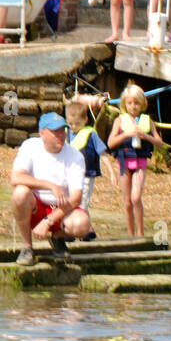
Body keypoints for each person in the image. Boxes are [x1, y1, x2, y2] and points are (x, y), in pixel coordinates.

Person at [10, 112, 91, 266]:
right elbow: (16, 178)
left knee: (82, 224)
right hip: (36, 206)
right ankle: (27, 247)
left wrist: (49, 221)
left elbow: (75, 198)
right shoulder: (30, 146)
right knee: (19, 193)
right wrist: (50, 186)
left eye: (63, 131)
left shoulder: (75, 156)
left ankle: (57, 237)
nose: (61, 135)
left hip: (60, 208)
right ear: (42, 133)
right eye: (55, 132)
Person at [107, 84, 160, 237]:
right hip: (124, 162)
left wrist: (146, 136)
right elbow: (110, 143)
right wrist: (126, 134)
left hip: (140, 162)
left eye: (136, 103)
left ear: (142, 103)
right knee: (127, 201)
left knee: (136, 197)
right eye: (130, 103)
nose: (133, 106)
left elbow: (159, 142)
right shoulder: (119, 120)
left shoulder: (146, 120)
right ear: (125, 103)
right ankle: (131, 235)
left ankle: (140, 233)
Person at [65, 100, 114, 239]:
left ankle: (83, 230)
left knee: (82, 201)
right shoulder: (66, 133)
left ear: (85, 120)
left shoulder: (91, 134)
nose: (73, 127)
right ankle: (73, 228)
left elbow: (103, 153)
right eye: (70, 123)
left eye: (77, 123)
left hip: (87, 175)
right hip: (70, 175)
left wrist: (111, 171)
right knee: (70, 201)